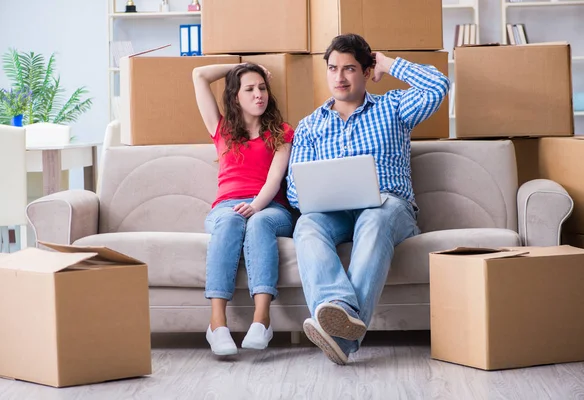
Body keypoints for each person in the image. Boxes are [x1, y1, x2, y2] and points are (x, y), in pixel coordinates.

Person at [286, 33, 450, 365]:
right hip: (334, 213)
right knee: (306, 225)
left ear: (365, 71)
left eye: (349, 68)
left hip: (390, 207)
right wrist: (316, 195)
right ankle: (340, 311)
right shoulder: (309, 126)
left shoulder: (394, 107)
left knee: (373, 218)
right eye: (333, 68)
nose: (339, 77)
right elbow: (293, 190)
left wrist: (388, 64)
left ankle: (340, 331)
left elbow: (438, 86)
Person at [193, 62, 294, 356]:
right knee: (231, 221)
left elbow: (275, 179)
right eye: (249, 89)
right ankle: (217, 324)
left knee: (259, 222)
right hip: (226, 207)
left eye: (262, 88)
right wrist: (243, 66)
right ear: (235, 96)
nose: (258, 94)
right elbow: (199, 75)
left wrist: (255, 205)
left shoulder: (282, 132)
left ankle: (262, 320)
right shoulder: (221, 128)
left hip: (271, 207)